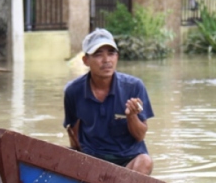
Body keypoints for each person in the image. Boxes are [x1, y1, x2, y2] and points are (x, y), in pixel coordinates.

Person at [63, 28, 154, 175]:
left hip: (128, 159)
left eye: (111, 53)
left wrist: (132, 116)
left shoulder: (134, 87)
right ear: (86, 60)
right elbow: (73, 132)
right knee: (61, 155)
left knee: (145, 162)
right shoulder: (73, 91)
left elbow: (140, 135)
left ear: (117, 57)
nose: (106, 60)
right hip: (93, 161)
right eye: (98, 54)